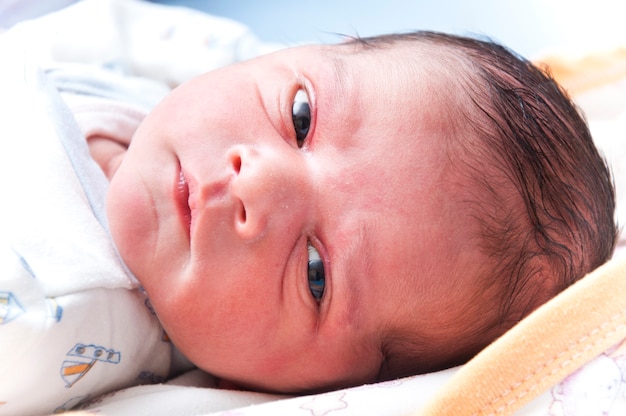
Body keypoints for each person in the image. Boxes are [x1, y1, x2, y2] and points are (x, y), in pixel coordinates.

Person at [0, 27, 616, 414]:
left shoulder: (53, 315)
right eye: (301, 118)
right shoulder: (164, 79)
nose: (257, 182)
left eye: (316, 272)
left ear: (313, 387)